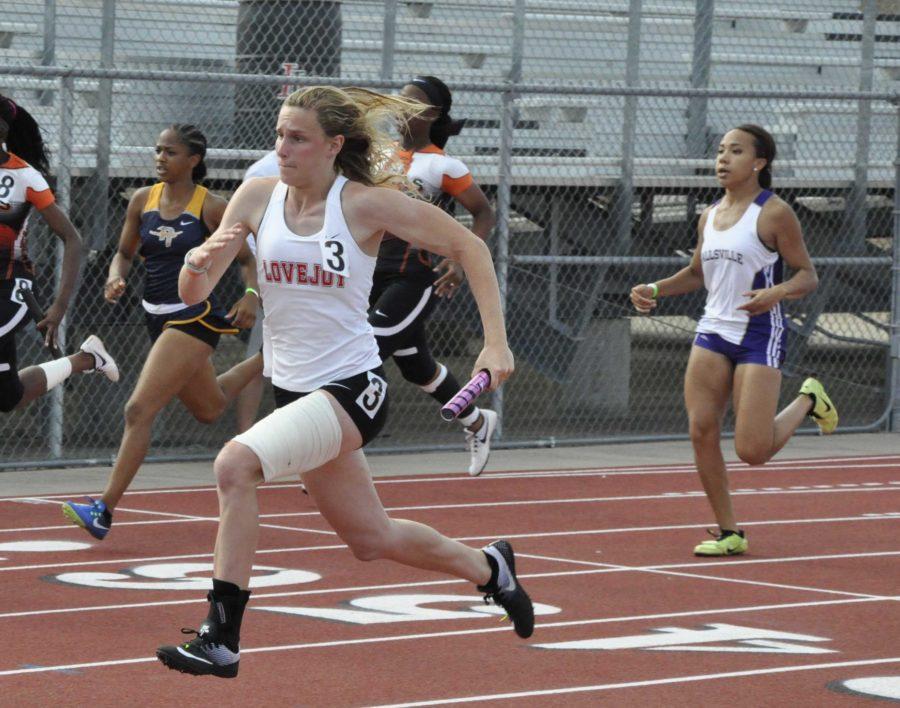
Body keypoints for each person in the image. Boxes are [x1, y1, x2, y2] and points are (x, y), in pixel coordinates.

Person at [155, 86, 532, 679]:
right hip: (295, 391)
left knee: (235, 465)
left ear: (334, 145)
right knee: (371, 539)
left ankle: (221, 636)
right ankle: (490, 568)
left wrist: (495, 341)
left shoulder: (362, 204)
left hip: (354, 388)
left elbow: (468, 245)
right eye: (279, 134)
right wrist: (197, 262)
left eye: (297, 137)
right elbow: (194, 295)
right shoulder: (256, 197)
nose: (282, 147)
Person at [630, 124, 837, 557]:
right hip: (712, 331)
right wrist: (654, 289)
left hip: (759, 332)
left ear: (759, 162)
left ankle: (808, 398)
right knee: (701, 430)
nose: (723, 159)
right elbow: (696, 273)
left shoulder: (774, 212)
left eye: (736, 151)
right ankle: (729, 531)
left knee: (752, 450)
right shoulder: (710, 214)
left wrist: (775, 293)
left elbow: (807, 275)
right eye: (721, 151)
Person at [62, 124, 264, 540]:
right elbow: (122, 253)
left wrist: (249, 295)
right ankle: (272, 358)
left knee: (138, 410)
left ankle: (104, 509)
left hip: (193, 317)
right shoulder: (142, 200)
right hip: (155, 315)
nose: (160, 158)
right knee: (208, 409)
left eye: (170, 152)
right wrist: (115, 277)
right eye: (157, 150)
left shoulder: (210, 206)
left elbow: (246, 258)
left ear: (193, 160)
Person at [371, 76, 498, 476]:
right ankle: (478, 422)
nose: (399, 106)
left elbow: (484, 214)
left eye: (410, 102)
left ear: (432, 114)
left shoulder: (443, 166)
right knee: (416, 366)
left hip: (414, 277)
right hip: (370, 274)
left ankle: (339, 449)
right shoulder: (379, 157)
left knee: (363, 354)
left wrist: (460, 261)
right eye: (398, 99)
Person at [0, 94, 118, 417]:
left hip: (10, 288)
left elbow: (73, 239)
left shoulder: (25, 177)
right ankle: (87, 359)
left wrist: (59, 306)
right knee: (7, 397)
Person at [233, 151, 274, 434]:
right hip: (271, 281)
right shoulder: (262, 172)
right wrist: (254, 288)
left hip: (316, 284)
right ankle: (244, 434)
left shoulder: (330, 166)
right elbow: (246, 241)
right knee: (257, 360)